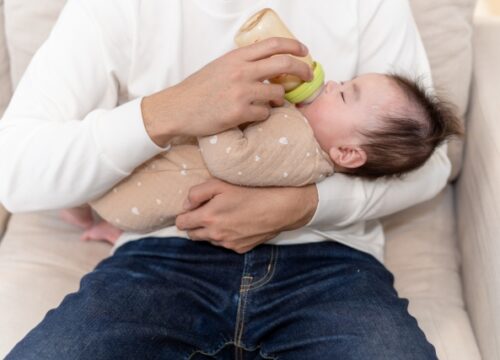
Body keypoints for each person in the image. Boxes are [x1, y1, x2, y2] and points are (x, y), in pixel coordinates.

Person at [0, 0, 448, 358]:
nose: (334, 86)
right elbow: (14, 173)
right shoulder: (116, 9)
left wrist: (303, 206)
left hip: (330, 257)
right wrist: (168, 111)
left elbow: (428, 163)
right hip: (164, 253)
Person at [60, 73, 462, 244]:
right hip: (151, 192)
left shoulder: (300, 147)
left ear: (346, 153)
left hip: (137, 193)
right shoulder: (304, 134)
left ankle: (92, 217)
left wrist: (213, 111)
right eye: (347, 81)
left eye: (345, 94)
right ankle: (108, 227)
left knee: (81, 188)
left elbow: (231, 163)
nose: (334, 82)